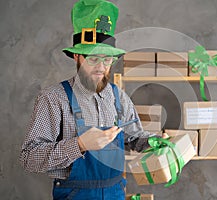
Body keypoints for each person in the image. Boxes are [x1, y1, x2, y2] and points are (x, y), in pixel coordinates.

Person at [20, 0, 159, 199]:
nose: (101, 67)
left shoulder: (118, 96)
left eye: (107, 59)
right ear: (77, 57)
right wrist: (79, 145)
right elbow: (29, 158)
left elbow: (133, 137)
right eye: (93, 58)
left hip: (115, 193)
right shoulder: (53, 98)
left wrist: (154, 142)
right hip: (75, 194)